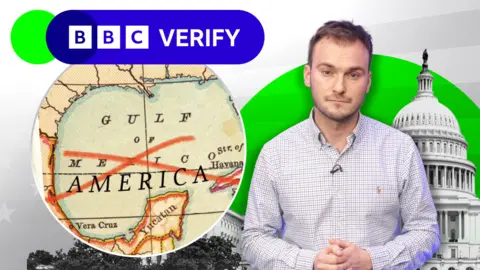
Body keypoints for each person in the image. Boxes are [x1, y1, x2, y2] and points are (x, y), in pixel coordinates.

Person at [240, 20, 440, 270]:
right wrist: (308, 262)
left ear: (368, 81)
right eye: (327, 72)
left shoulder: (400, 148)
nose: (339, 87)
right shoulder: (275, 153)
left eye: (353, 74)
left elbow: (426, 231)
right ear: (307, 75)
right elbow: (253, 238)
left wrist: (372, 260)